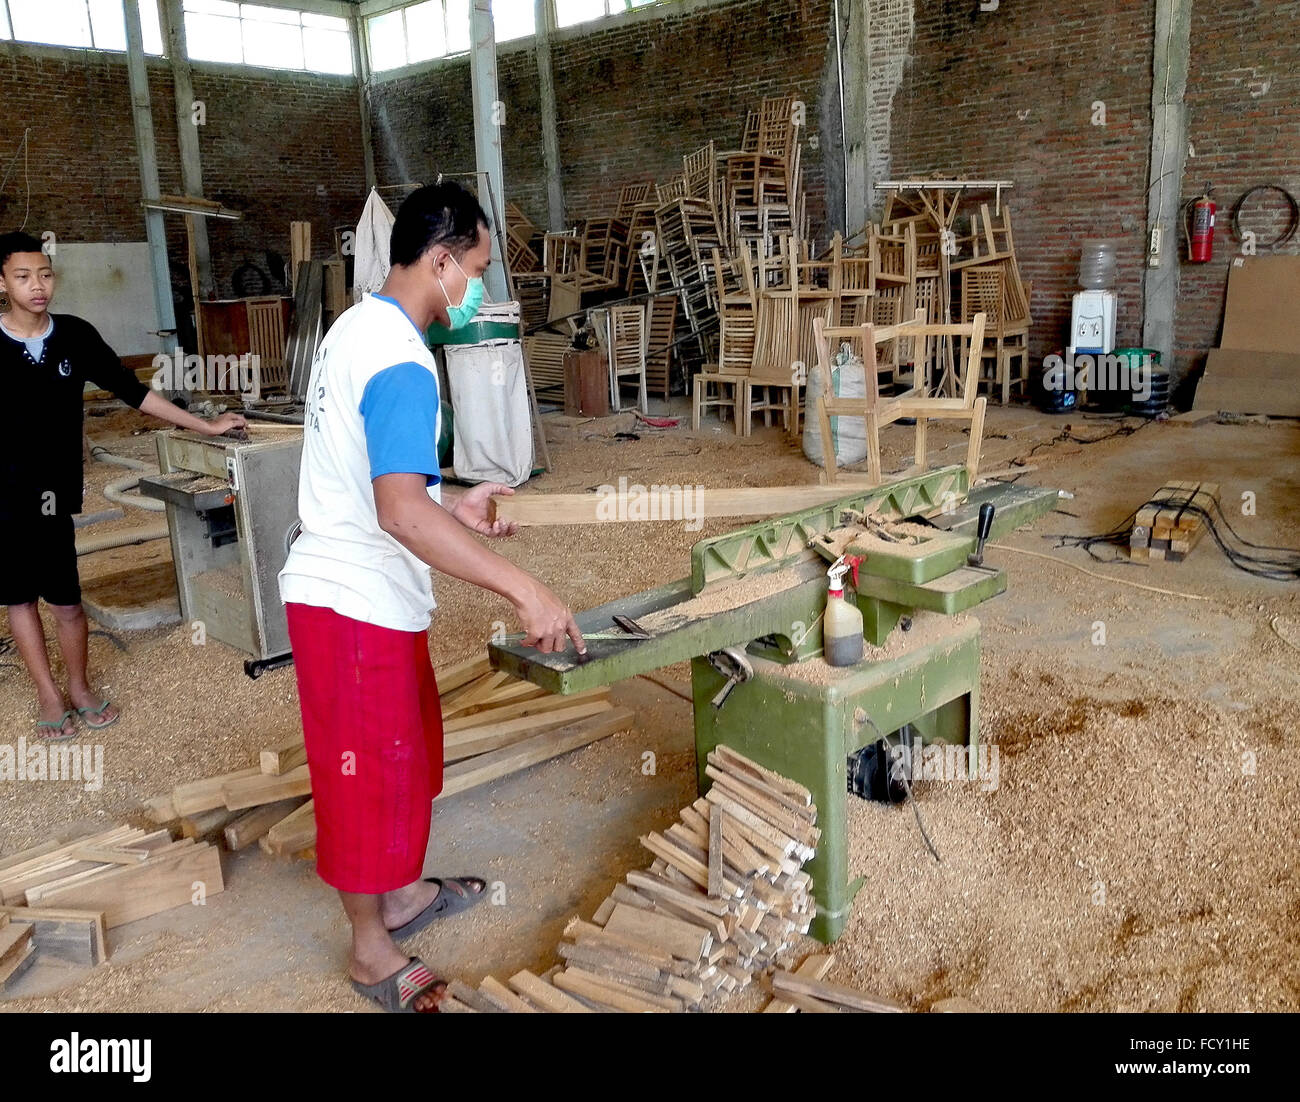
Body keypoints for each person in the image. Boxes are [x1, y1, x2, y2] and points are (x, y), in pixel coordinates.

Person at [278, 182, 585, 1013]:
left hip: (367, 590)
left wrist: (450, 503)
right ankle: (372, 953)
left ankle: (405, 896)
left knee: (404, 759)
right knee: (361, 778)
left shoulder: (360, 327)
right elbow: (396, 512)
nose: (478, 289)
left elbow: (384, 480)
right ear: (440, 260)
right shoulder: (403, 360)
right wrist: (526, 590)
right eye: (477, 269)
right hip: (350, 602)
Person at [0, 231, 245, 741]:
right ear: (1, 282)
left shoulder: (74, 336)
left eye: (45, 274)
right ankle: (49, 695)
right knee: (19, 600)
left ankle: (80, 687)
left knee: (66, 601)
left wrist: (203, 425)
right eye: (23, 277)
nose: (38, 286)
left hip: (51, 498)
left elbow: (133, 392)